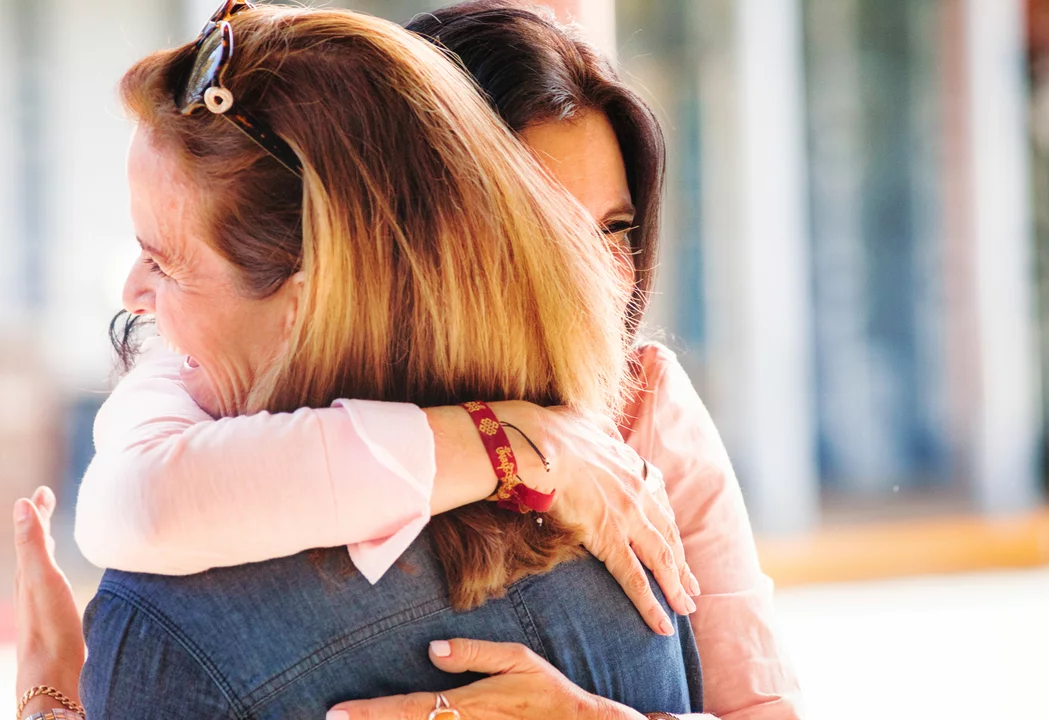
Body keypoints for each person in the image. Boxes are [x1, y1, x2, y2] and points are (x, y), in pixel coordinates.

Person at [66, 2, 802, 718]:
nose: (598, 278)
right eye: (549, 236)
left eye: (614, 229)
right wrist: (521, 444)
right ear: (425, 236)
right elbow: (139, 502)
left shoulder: (645, 404)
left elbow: (763, 708)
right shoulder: (207, 377)